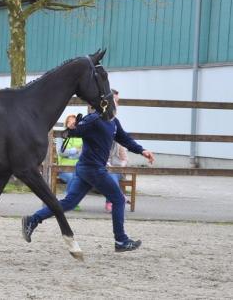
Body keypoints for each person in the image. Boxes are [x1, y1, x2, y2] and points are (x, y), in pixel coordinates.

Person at [22, 102, 155, 252]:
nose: (116, 104)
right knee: (118, 199)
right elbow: (72, 132)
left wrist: (142, 150)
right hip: (93, 169)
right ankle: (121, 240)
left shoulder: (113, 122)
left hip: (86, 168)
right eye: (115, 101)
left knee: (69, 203)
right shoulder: (94, 119)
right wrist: (72, 127)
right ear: (106, 103)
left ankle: (32, 220)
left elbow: (125, 139)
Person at [56, 114, 83, 211]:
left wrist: (70, 152)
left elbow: (83, 153)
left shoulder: (81, 136)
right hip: (63, 169)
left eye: (74, 122)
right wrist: (75, 150)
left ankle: (71, 201)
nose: (72, 124)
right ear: (66, 124)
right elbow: (61, 152)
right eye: (69, 122)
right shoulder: (61, 136)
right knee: (73, 177)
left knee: (79, 177)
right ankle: (70, 201)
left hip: (78, 167)